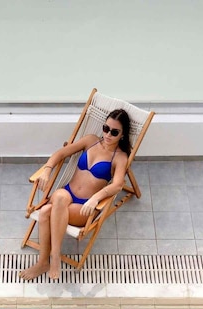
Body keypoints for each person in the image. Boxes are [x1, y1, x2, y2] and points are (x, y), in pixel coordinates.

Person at [20, 109, 133, 281]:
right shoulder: (91, 141)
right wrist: (47, 170)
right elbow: (61, 153)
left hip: (84, 206)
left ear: (122, 135)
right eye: (105, 128)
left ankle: (45, 261)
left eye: (114, 132)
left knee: (45, 211)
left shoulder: (120, 157)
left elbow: (118, 185)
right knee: (58, 198)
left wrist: (95, 198)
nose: (108, 134)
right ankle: (53, 256)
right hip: (67, 193)